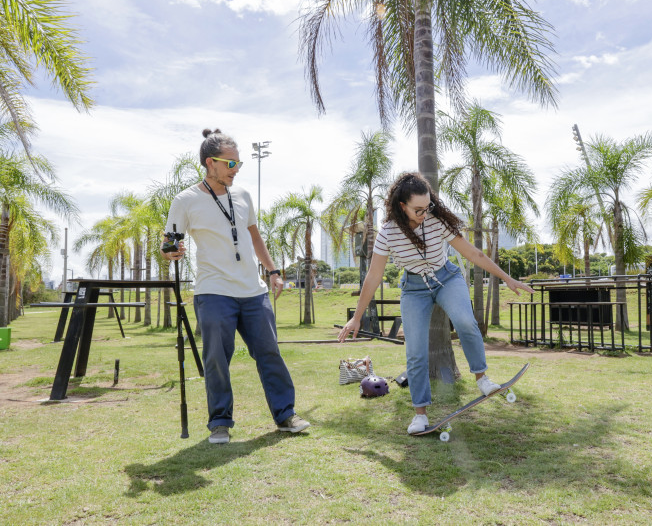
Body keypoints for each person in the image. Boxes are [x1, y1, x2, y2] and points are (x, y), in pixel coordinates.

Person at [338, 172, 535, 434]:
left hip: (447, 278)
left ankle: (483, 379)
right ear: (402, 206)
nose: (424, 213)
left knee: (465, 321)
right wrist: (357, 316)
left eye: (427, 206)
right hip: (414, 289)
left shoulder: (436, 220)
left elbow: (472, 253)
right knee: (416, 351)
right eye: (418, 209)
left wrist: (506, 278)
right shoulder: (388, 233)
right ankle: (420, 414)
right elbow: (373, 276)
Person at [162, 128, 309, 444]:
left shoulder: (242, 196)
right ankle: (220, 422)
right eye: (230, 164)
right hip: (213, 291)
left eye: (238, 164)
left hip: (253, 291)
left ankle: (285, 415)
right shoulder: (185, 200)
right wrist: (170, 250)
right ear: (209, 163)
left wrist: (273, 271)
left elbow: (255, 236)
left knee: (270, 353)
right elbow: (169, 242)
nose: (236, 169)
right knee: (216, 358)